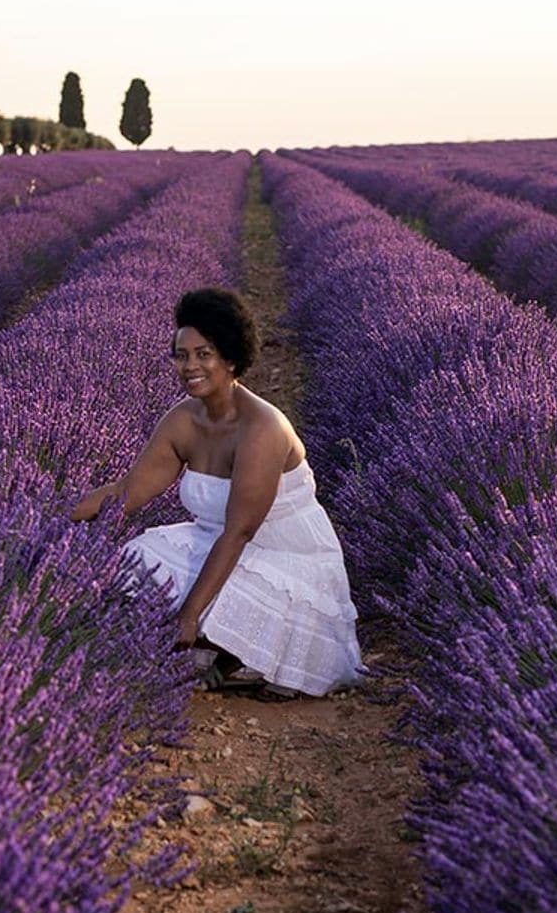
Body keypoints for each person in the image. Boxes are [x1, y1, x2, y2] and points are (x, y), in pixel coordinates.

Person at [70, 287, 362, 697]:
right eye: (181, 355)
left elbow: (239, 532)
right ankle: (224, 655)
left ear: (230, 358)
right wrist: (54, 519)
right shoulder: (183, 420)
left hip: (286, 557)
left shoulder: (262, 428)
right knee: (139, 556)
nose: (190, 366)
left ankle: (231, 654)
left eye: (203, 354)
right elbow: (128, 492)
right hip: (217, 541)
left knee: (216, 597)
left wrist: (189, 616)